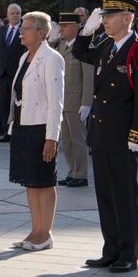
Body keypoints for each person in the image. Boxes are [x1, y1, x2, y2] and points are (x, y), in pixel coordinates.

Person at [73, 0, 138, 272]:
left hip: (122, 135)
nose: (105, 21)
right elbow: (79, 52)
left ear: (127, 18)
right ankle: (110, 250)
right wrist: (87, 30)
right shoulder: (107, 44)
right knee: (106, 195)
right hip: (101, 132)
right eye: (104, 17)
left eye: (109, 17)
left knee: (124, 196)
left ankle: (127, 254)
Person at [9, 11, 64, 250]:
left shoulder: (51, 58)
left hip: (42, 128)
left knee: (44, 180)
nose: (22, 31)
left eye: (27, 28)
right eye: (22, 27)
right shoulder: (25, 58)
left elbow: (56, 102)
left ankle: (46, 233)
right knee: (30, 181)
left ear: (41, 33)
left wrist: (51, 138)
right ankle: (35, 230)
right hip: (23, 125)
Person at [51, 13, 92, 187]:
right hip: (63, 100)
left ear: (76, 27)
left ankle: (81, 174)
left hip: (76, 101)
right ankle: (72, 171)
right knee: (67, 140)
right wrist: (51, 43)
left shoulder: (84, 47)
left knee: (78, 140)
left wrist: (87, 102)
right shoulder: (61, 46)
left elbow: (89, 77)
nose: (61, 29)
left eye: (65, 26)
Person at [0, 3, 25, 141]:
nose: (15, 16)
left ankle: (17, 132)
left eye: (17, 13)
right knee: (4, 103)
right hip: (2, 73)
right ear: (7, 15)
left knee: (17, 103)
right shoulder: (1, 31)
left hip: (17, 73)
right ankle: (7, 132)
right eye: (12, 13)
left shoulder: (24, 30)